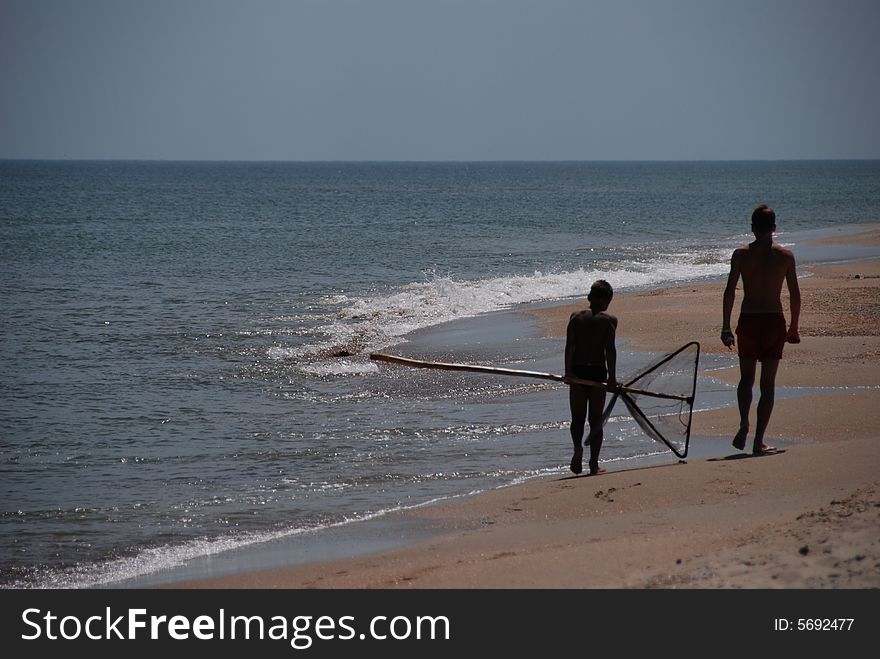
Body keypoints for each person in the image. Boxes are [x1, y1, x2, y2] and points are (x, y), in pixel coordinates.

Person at [722, 204, 801, 455]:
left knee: (746, 379)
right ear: (775, 229)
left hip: (748, 319)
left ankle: (744, 422)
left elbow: (730, 291)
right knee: (767, 384)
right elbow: (794, 294)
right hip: (773, 320)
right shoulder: (785, 256)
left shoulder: (741, 254)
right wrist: (794, 327)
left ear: (753, 228)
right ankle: (758, 441)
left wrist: (726, 326)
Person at [564, 279, 617, 475]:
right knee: (595, 421)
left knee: (577, 419)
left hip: (577, 372)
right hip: (597, 373)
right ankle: (593, 464)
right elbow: (610, 350)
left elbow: (570, 347)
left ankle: (577, 447)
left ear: (589, 297)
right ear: (607, 302)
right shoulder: (609, 321)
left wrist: (568, 372)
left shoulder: (575, 317)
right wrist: (611, 378)